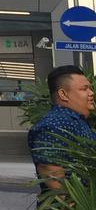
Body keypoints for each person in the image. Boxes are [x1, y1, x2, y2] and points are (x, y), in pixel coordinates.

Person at [28, 65, 96, 194]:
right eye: (84, 89)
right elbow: (49, 170)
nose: (91, 93)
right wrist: (74, 208)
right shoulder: (54, 125)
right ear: (63, 94)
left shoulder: (76, 121)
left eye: (90, 88)